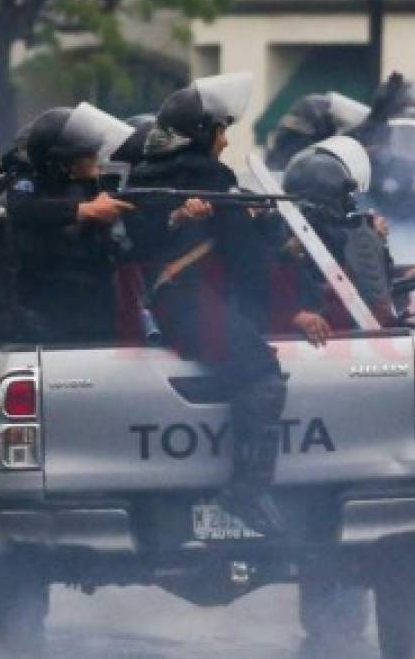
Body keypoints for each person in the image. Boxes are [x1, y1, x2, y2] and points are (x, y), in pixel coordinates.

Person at [127, 73, 322, 537]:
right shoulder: (209, 178)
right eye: (220, 129)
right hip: (189, 302)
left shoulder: (143, 177)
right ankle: (247, 490)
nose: (225, 139)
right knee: (260, 369)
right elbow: (245, 258)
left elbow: (137, 240)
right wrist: (290, 307)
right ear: (201, 134)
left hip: (173, 300)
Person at [0, 106, 135, 345]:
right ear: (62, 162)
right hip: (39, 316)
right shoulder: (28, 186)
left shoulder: (98, 188)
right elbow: (23, 209)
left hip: (96, 316)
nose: (96, 162)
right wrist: (83, 210)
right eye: (87, 156)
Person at [281, 136, 403, 326]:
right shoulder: (345, 236)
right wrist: (374, 241)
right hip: (341, 327)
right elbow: (376, 299)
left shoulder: (280, 229)